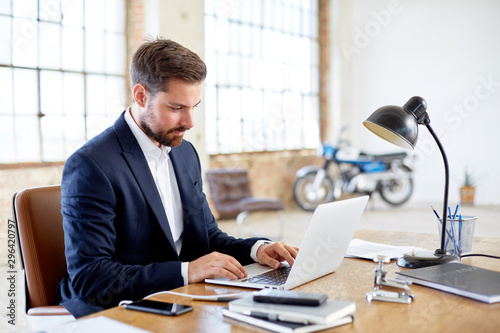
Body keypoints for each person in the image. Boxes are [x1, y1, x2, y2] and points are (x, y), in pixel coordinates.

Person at [58, 37, 299, 318]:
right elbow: (92, 278)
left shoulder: (185, 153)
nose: (190, 122)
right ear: (140, 96)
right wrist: (188, 270)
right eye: (176, 108)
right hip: (120, 309)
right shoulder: (91, 165)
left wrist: (257, 249)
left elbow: (207, 237)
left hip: (183, 299)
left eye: (194, 106)